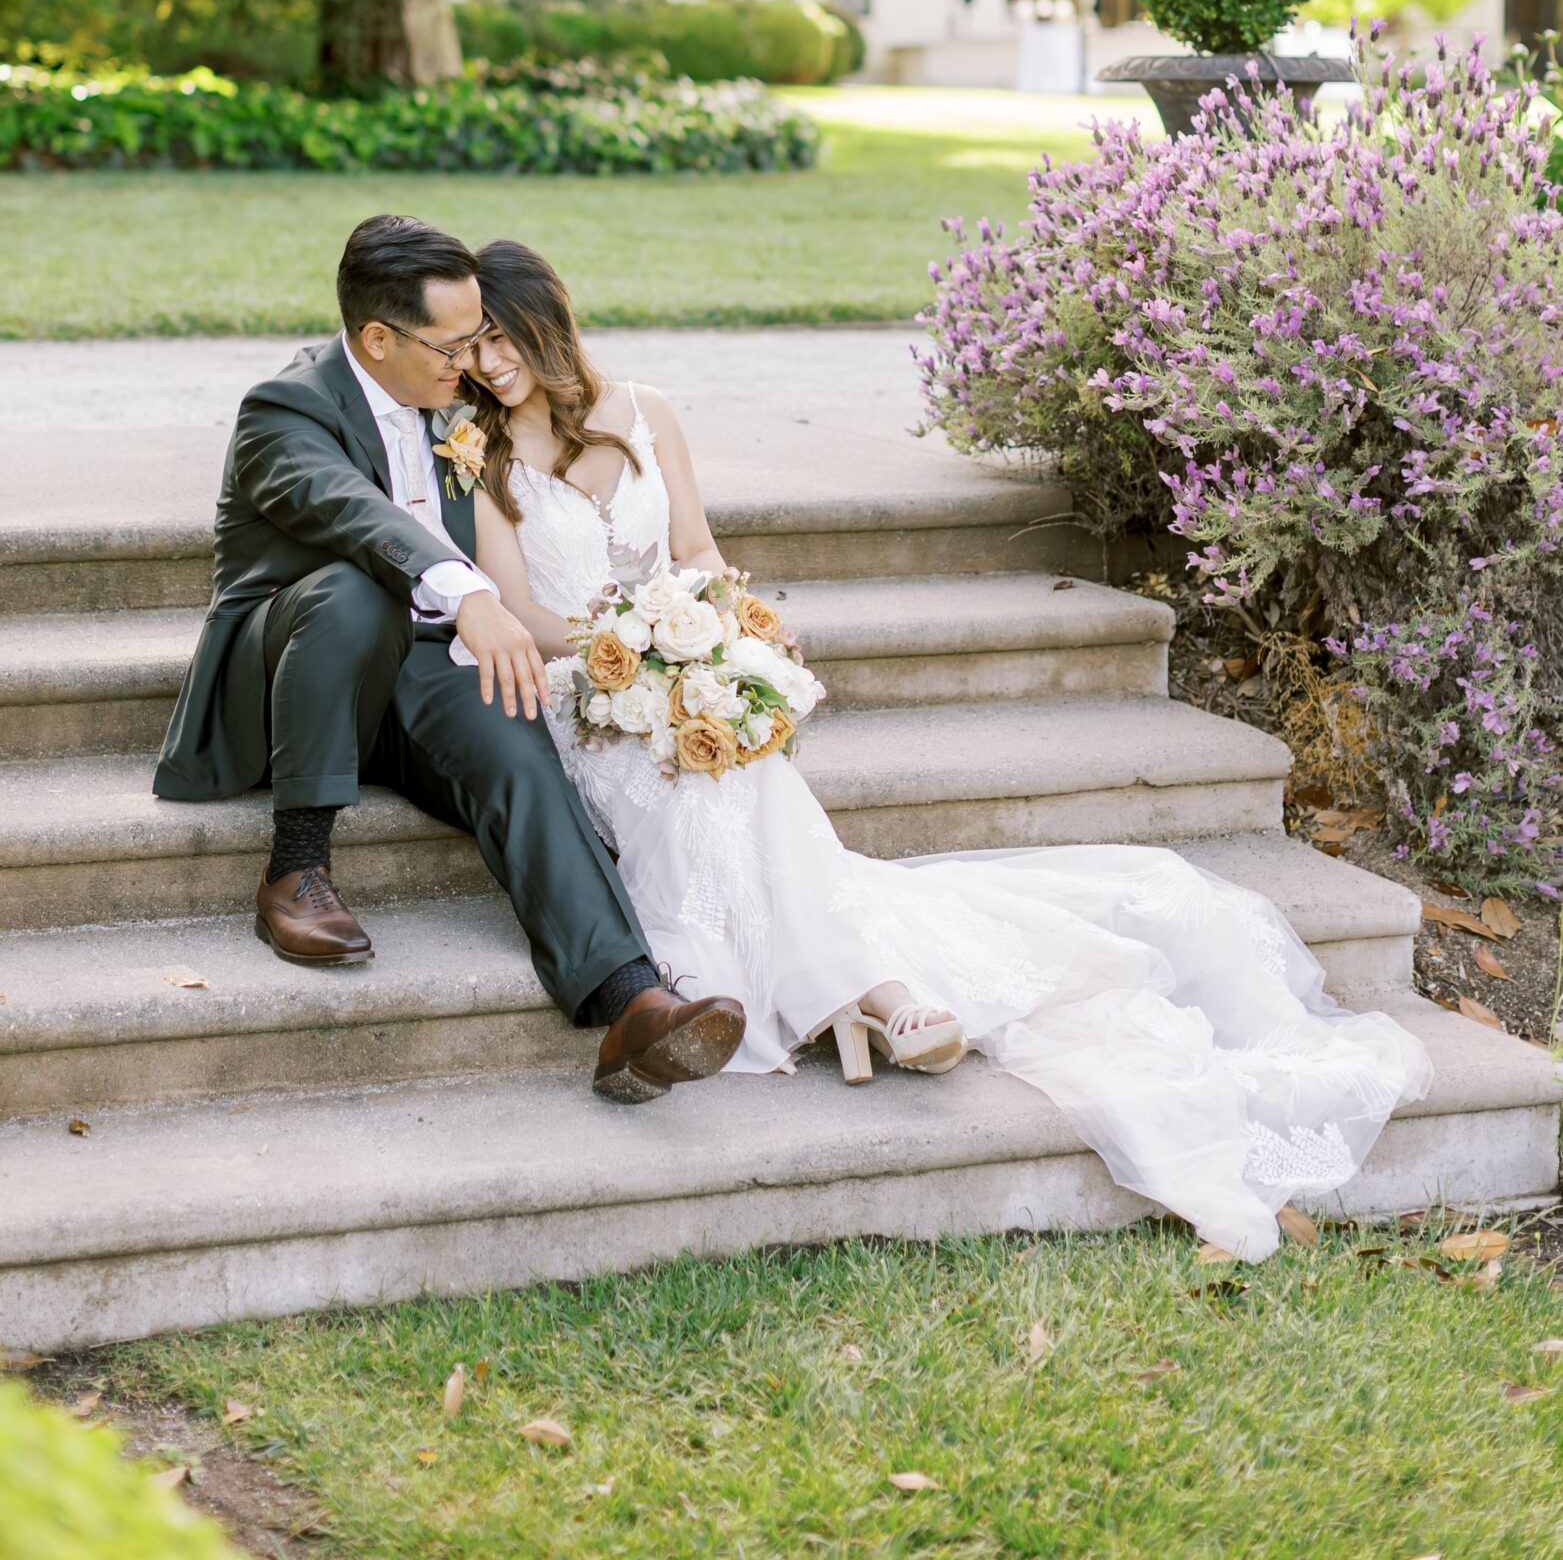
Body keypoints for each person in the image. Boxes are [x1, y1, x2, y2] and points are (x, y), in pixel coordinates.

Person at [465, 237, 1434, 1262]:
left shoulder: (648, 411)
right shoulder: (479, 454)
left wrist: (723, 629)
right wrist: (635, 655)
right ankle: (874, 995)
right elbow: (519, 611)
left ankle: (857, 993)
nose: (485, 362)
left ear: (546, 318)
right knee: (695, 773)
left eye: (498, 337)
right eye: (470, 346)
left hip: (683, 658)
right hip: (588, 692)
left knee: (734, 759)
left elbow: (697, 548)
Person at [153, 213, 746, 1104]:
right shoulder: (287, 409)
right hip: (303, 676)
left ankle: (631, 1004)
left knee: (517, 741)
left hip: (427, 671)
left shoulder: (459, 406)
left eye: (478, 337)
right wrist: (470, 595)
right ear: (377, 337)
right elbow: (349, 509)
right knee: (353, 588)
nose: (470, 360)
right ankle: (296, 866)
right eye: (453, 342)